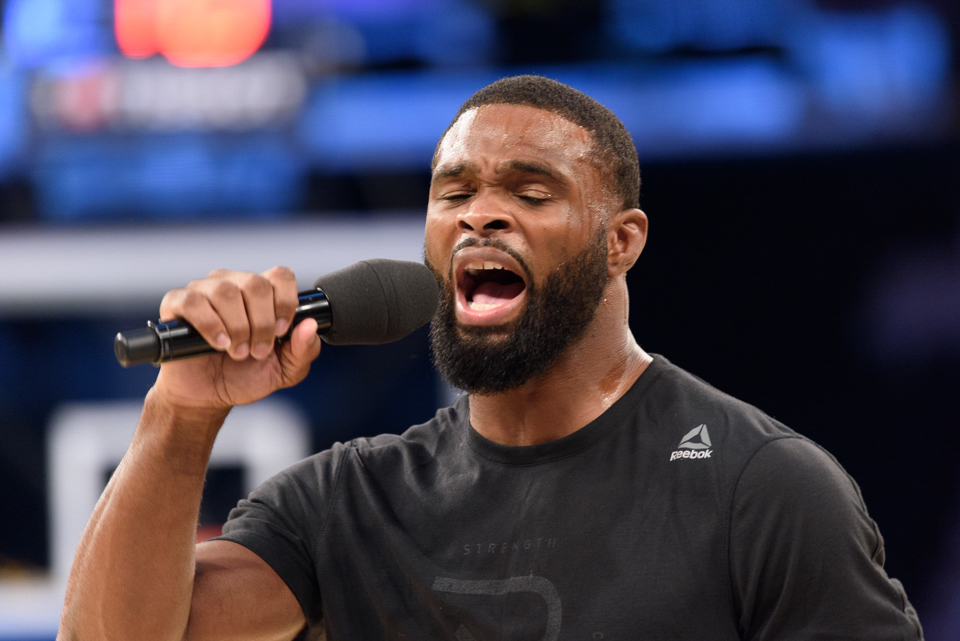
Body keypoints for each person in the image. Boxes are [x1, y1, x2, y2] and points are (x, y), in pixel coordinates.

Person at [59, 76, 923, 640]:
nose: (481, 215)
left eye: (530, 191)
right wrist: (181, 410)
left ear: (622, 242)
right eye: (455, 193)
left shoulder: (760, 485)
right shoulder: (350, 500)